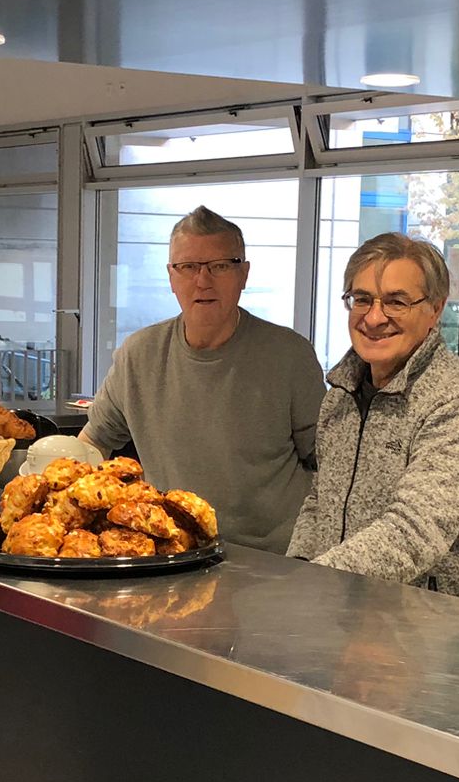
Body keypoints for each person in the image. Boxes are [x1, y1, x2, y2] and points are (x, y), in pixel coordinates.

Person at [81, 206, 324, 552]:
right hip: (174, 554)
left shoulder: (289, 355)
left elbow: (328, 463)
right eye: (189, 267)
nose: (203, 280)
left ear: (243, 274)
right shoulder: (139, 355)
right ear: (171, 276)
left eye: (220, 266)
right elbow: (92, 444)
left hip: (274, 559)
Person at [288, 232, 459, 601]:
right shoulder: (340, 396)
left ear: (435, 309)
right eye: (362, 299)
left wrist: (314, 584)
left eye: (396, 302)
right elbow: (319, 503)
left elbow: (415, 531)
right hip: (336, 611)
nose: (374, 318)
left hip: (430, 627)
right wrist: (296, 572)